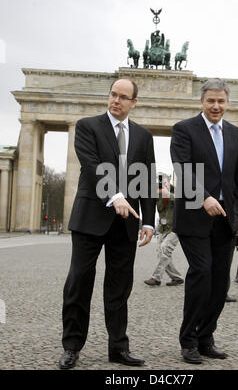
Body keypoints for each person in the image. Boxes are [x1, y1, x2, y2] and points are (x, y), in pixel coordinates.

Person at [59, 78, 156, 369]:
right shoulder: (87, 126)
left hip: (126, 224)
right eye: (113, 94)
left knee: (119, 288)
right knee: (79, 282)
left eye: (123, 97)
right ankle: (72, 347)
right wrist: (115, 195)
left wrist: (149, 222)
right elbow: (91, 165)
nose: (116, 100)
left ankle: (118, 348)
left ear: (133, 103)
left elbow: (148, 180)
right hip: (91, 216)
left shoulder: (143, 136)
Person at [170, 78, 238, 364]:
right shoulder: (184, 129)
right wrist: (204, 196)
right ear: (202, 102)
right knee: (202, 271)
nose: (216, 106)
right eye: (211, 101)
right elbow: (182, 170)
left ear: (227, 102)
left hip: (225, 220)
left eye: (221, 101)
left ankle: (206, 337)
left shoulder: (235, 133)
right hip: (194, 216)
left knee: (220, 282)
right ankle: (189, 340)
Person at [144, 173, 184, 287]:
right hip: (163, 228)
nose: (161, 185)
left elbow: (182, 203)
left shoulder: (176, 192)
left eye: (164, 182)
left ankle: (156, 278)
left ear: (169, 182)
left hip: (175, 228)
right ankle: (177, 278)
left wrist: (169, 195)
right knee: (162, 253)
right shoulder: (156, 195)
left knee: (164, 248)